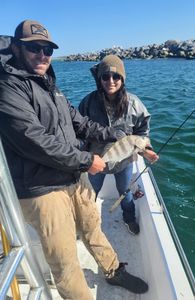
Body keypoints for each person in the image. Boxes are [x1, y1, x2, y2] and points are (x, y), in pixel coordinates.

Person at [0, 20, 149, 300]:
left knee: (94, 227)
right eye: (35, 48)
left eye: (48, 49)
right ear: (18, 48)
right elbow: (35, 141)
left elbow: (80, 123)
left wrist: (113, 133)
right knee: (65, 260)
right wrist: (85, 161)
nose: (43, 55)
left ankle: (113, 270)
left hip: (72, 176)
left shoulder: (51, 86)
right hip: (43, 189)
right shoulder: (9, 88)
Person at [79, 55, 159, 235]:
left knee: (124, 190)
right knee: (90, 192)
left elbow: (142, 132)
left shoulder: (134, 103)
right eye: (105, 76)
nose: (111, 81)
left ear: (122, 79)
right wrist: (82, 159)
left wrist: (147, 151)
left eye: (116, 77)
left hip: (124, 160)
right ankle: (86, 223)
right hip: (96, 160)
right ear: (99, 79)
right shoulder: (88, 102)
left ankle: (129, 217)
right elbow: (79, 131)